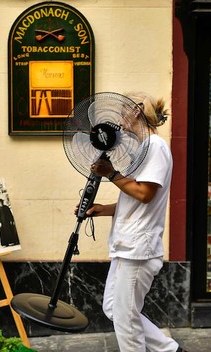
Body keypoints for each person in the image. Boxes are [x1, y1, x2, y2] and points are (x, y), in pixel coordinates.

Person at [82, 91, 183, 352]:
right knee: (113, 308)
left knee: (126, 320)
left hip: (138, 249)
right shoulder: (143, 149)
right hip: (126, 245)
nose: (118, 117)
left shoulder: (156, 147)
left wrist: (111, 173)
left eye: (122, 110)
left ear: (136, 111)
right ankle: (170, 350)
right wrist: (102, 209)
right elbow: (135, 199)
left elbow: (145, 194)